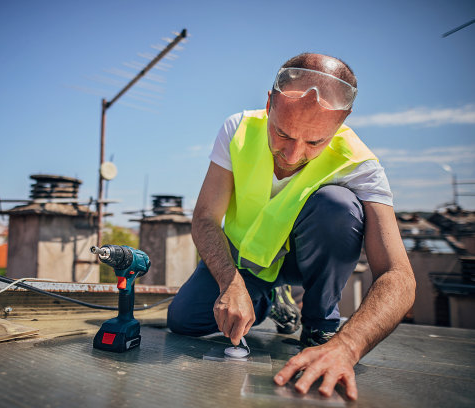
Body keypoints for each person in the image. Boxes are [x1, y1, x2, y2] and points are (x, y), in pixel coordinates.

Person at [167, 53, 415, 400]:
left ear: (341, 121)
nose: (294, 154)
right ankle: (267, 297)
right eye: (282, 133)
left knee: (338, 206)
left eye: (315, 142)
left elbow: (398, 276)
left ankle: (318, 325)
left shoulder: (362, 164)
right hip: (245, 262)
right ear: (269, 103)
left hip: (303, 261)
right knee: (183, 321)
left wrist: (348, 346)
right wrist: (230, 283)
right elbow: (206, 218)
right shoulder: (237, 129)